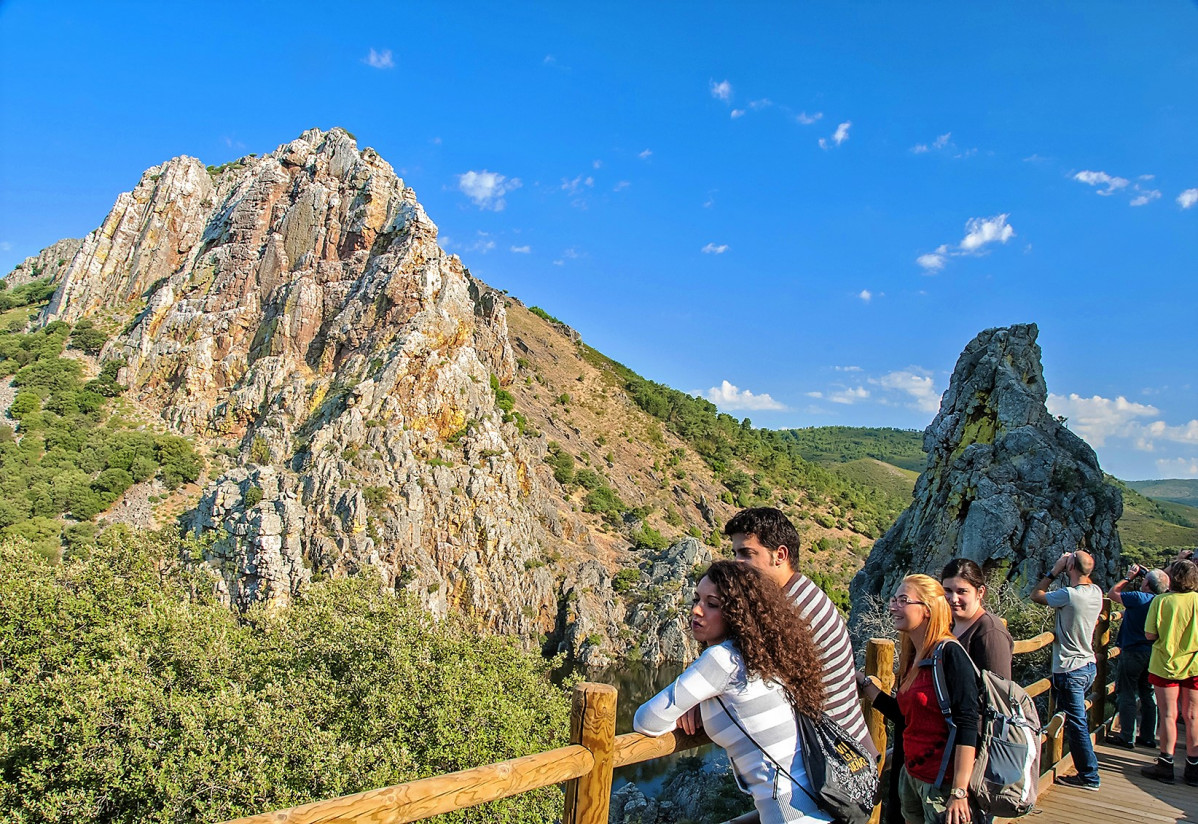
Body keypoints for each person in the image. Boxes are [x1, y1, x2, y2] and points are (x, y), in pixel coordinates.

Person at [633, 560, 831, 824]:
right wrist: (700, 702)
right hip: (818, 801)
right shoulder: (765, 656)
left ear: (737, 612)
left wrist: (691, 705)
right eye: (697, 599)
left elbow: (647, 720)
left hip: (790, 815)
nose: (696, 610)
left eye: (711, 604)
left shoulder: (723, 659)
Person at [717, 507, 875, 757]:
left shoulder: (790, 612)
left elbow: (738, 677)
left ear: (780, 554)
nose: (736, 563)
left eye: (746, 553)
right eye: (735, 553)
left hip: (834, 763)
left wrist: (697, 703)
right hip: (851, 747)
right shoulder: (801, 591)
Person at [857, 575, 978, 824]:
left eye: (903, 600)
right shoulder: (914, 657)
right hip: (912, 777)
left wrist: (959, 791)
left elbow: (968, 724)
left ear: (927, 609)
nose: (893, 607)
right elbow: (906, 716)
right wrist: (866, 684)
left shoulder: (950, 655)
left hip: (942, 785)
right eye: (894, 599)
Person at [1030, 549, 1103, 791]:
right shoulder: (1096, 592)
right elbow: (1085, 574)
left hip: (1069, 668)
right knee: (1068, 718)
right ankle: (1068, 763)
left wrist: (1055, 569)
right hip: (1088, 665)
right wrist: (1075, 565)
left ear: (1071, 567)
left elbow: (1036, 595)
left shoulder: (1070, 596)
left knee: (1077, 724)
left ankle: (1090, 776)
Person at [1141, 558, 1198, 786]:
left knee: (1168, 715)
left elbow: (1150, 635)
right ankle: (1194, 767)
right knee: (1193, 715)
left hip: (1165, 664)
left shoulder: (1161, 601)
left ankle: (1166, 764)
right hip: (1194, 664)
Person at [1107, 563, 1169, 749]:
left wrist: (1128, 577)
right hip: (1153, 652)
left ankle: (1127, 736)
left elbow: (1112, 593)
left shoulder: (1138, 597)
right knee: (1148, 693)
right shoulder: (1164, 600)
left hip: (1133, 651)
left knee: (1126, 692)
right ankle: (1148, 736)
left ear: (1147, 585)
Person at [941, 559, 1013, 679]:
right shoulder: (949, 624)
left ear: (980, 592)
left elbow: (997, 690)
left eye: (962, 592)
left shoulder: (990, 631)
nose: (953, 599)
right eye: (948, 591)